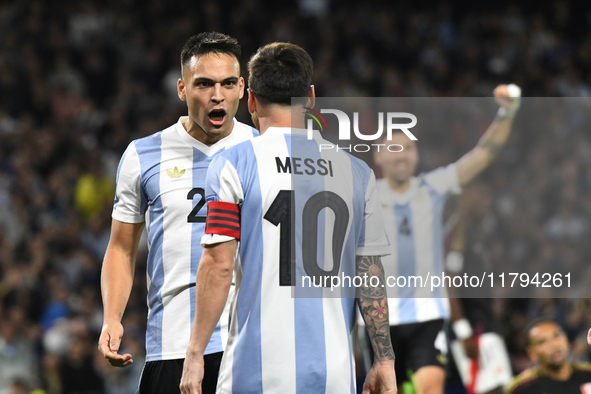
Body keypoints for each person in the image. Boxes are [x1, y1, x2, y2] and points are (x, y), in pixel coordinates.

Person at [180, 42, 397, 394]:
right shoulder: (357, 172)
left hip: (255, 372)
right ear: (310, 98)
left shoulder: (232, 164)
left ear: (250, 100)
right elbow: (369, 272)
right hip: (333, 375)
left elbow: (218, 267)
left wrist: (194, 353)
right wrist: (384, 359)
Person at [97, 32, 258, 394]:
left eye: (227, 83)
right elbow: (121, 248)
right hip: (171, 347)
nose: (217, 95)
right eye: (204, 84)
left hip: (250, 347)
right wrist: (112, 318)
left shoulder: (262, 150)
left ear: (242, 89)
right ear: (182, 89)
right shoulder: (143, 154)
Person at [373, 84, 521, 394]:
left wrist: (507, 112)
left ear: (416, 156)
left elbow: (484, 154)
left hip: (427, 314)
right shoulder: (363, 195)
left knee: (431, 388)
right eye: (393, 148)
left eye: (408, 148)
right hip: (379, 319)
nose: (402, 155)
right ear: (378, 156)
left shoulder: (432, 187)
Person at [446, 183, 512, 394]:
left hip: (485, 323)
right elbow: (448, 282)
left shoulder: (476, 233)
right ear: (464, 196)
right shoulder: (457, 231)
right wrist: (463, 330)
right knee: (490, 390)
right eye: (482, 194)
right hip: (474, 328)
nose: (487, 201)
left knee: (502, 387)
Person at [506, 320, 591, 394]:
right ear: (532, 353)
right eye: (542, 342)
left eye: (556, 336)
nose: (553, 345)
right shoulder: (522, 389)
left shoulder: (588, 373)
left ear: (566, 339)